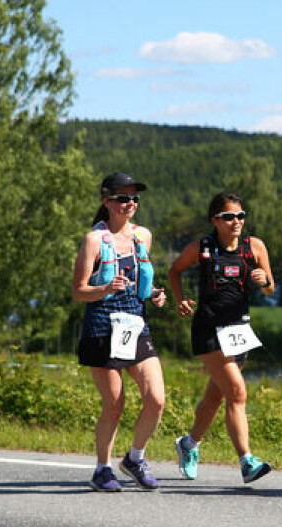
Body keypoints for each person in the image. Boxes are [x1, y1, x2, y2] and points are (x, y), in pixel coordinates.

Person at [168, 192, 276, 484]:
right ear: (215, 220)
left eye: (240, 216)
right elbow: (175, 271)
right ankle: (246, 461)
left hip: (238, 331)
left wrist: (264, 281)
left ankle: (188, 444)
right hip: (208, 330)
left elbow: (270, 288)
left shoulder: (254, 247)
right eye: (229, 217)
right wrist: (180, 300)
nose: (236, 221)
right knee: (237, 392)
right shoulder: (202, 247)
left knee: (215, 397)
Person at [72, 172, 168, 492]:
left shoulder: (143, 236)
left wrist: (154, 294)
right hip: (102, 327)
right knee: (115, 404)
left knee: (156, 399)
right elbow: (78, 292)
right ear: (106, 201)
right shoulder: (94, 240)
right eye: (123, 198)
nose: (130, 203)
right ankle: (102, 469)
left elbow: (139, 283)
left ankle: (135, 458)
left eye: (134, 198)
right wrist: (104, 288)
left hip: (135, 325)